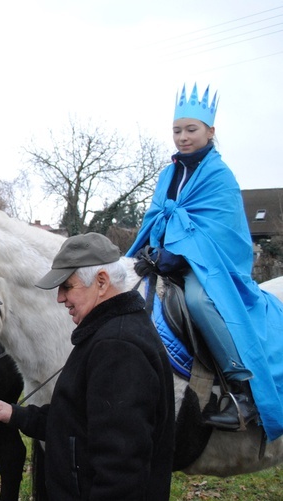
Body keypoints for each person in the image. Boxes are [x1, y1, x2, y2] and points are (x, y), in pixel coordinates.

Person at [127, 83, 283, 437]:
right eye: (177, 130)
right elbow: (157, 217)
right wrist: (150, 249)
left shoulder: (219, 176)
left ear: (210, 131)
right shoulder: (168, 173)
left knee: (199, 300)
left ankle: (242, 390)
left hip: (207, 267)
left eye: (191, 130)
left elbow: (222, 233)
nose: (183, 137)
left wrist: (179, 255)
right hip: (164, 260)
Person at [0, 233, 175, 500]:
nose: (60, 298)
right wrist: (16, 415)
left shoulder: (118, 348)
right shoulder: (105, 333)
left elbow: (120, 472)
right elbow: (76, 422)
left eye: (68, 287)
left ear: (101, 282)